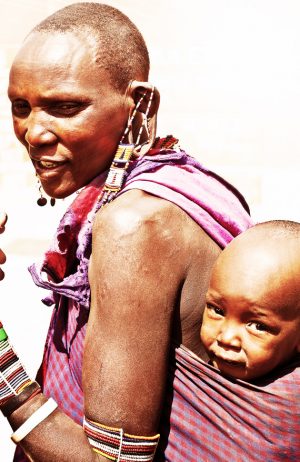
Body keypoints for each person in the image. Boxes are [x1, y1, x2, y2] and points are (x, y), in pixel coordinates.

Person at [0, 3, 252, 461]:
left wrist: (3, 373)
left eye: (65, 107)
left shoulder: (134, 226)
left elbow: (111, 461)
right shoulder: (184, 182)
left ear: (139, 104)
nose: (34, 132)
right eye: (21, 107)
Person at [160, 220, 300, 461]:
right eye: (217, 310)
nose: (226, 337)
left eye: (257, 326)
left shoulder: (290, 407)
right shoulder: (180, 376)